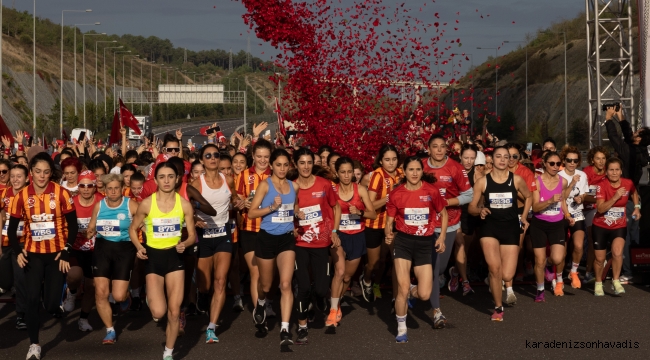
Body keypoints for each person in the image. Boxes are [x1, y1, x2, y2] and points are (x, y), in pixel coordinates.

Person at [7, 153, 78, 360]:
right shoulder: (20, 196)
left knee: (50, 305)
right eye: (37, 171)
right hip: (33, 255)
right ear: (31, 172)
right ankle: (34, 344)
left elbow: (73, 226)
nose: (42, 176)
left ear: (51, 173)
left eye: (46, 172)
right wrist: (18, 250)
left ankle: (58, 298)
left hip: (56, 255)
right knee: (31, 300)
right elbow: (12, 230)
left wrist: (66, 250)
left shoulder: (61, 193)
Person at [129, 162, 197, 360]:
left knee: (174, 312)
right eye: (162, 177)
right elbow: (133, 229)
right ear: (155, 180)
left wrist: (185, 243)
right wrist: (139, 248)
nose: (166, 181)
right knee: (159, 311)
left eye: (170, 176)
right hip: (153, 259)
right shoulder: (147, 203)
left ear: (177, 179)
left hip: (175, 258)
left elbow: (192, 235)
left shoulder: (184, 204)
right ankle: (155, 305)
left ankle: (168, 353)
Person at [385, 156, 448, 343]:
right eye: (410, 170)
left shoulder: (432, 191)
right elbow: (389, 221)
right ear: (404, 171)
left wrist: (442, 237)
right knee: (402, 290)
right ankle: (402, 328)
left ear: (422, 171)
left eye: (417, 170)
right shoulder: (396, 193)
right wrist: (388, 234)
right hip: (403, 242)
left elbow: (443, 214)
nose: (414, 173)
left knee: (424, 294)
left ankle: (413, 288)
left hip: (424, 244)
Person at [469, 147, 532, 321]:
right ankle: (498, 307)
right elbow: (472, 206)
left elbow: (529, 196)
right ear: (492, 159)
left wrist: (524, 217)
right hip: (489, 228)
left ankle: (496, 281)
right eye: (499, 156)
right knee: (495, 268)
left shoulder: (516, 180)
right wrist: (479, 211)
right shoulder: (483, 182)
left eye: (507, 157)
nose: (503, 160)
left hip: (511, 227)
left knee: (507, 275)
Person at [247, 148, 299, 346]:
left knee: (285, 284)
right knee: (266, 286)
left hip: (286, 239)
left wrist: (297, 213)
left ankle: (285, 330)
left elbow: (294, 208)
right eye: (278, 164)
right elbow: (251, 213)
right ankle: (261, 303)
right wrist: (271, 208)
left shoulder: (294, 187)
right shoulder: (265, 185)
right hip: (267, 238)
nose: (282, 168)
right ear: (272, 166)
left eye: (286, 165)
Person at [423, 134, 473, 328]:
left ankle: (430, 282)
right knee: (432, 269)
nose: (438, 150)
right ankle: (437, 312)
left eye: (442, 146)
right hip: (423, 224)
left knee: (439, 268)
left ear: (447, 149)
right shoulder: (421, 166)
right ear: (429, 149)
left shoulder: (455, 168)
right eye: (434, 147)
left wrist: (446, 202)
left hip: (449, 223)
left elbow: (469, 195)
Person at [292, 147, 342, 340]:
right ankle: (302, 325)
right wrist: (292, 226)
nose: (306, 167)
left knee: (321, 289)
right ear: (296, 164)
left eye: (309, 163)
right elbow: (285, 213)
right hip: (299, 243)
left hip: (321, 242)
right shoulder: (291, 186)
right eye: (302, 163)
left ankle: (315, 298)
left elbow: (335, 207)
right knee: (303, 286)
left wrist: (335, 231)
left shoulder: (324, 184)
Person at [191, 144, 238, 344]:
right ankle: (201, 294)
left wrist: (238, 203)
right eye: (208, 155)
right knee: (206, 285)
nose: (212, 158)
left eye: (216, 155)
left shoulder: (228, 180)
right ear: (202, 159)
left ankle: (212, 327)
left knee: (220, 281)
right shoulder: (196, 183)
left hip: (223, 234)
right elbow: (187, 207)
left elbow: (233, 200)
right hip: (203, 236)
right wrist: (193, 218)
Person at [86, 173, 138, 344]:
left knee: (118, 295)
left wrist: (142, 245)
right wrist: (90, 231)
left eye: (117, 188)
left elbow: (144, 226)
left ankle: (126, 296)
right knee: (101, 292)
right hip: (102, 249)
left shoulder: (130, 205)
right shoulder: (99, 205)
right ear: (105, 190)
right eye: (110, 188)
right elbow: (91, 226)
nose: (113, 191)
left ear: (122, 188)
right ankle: (110, 330)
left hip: (124, 250)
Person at [604, 105, 650, 282]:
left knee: (623, 235)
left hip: (624, 198)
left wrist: (608, 119)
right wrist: (621, 116)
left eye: (637, 133)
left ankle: (627, 272)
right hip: (632, 196)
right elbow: (627, 134)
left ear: (639, 139)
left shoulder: (630, 152)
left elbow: (615, 139)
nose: (633, 133)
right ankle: (628, 269)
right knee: (630, 234)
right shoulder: (639, 149)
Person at [331, 156, 377, 329]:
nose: (346, 175)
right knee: (340, 272)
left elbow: (372, 214)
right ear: (337, 173)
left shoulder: (361, 190)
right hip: (339, 235)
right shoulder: (333, 190)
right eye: (342, 172)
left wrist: (360, 212)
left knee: (348, 276)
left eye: (349, 172)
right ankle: (333, 308)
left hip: (357, 236)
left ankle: (339, 298)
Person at [360, 144, 403, 303]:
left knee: (392, 260)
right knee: (374, 263)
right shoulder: (377, 176)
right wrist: (389, 199)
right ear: (381, 161)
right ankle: (366, 279)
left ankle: (392, 295)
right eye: (387, 160)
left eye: (394, 159)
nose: (391, 163)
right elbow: (370, 204)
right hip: (374, 224)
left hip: (393, 224)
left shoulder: (401, 174)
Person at [592, 158, 640, 296]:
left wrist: (637, 207)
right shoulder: (601, 185)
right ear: (606, 172)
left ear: (621, 171)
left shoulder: (627, 183)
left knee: (618, 253)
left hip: (619, 225)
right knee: (600, 259)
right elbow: (600, 209)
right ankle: (598, 283)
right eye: (611, 170)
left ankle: (616, 280)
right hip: (601, 225)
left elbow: (634, 192)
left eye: (617, 170)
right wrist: (615, 197)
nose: (614, 173)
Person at [236, 139, 273, 316]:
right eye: (259, 156)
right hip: (249, 228)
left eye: (266, 157)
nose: (263, 160)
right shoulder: (243, 175)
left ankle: (265, 301)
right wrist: (242, 202)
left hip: (271, 229)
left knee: (269, 273)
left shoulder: (275, 175)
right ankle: (260, 309)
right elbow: (235, 200)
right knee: (256, 271)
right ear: (253, 156)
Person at [64, 171, 104, 333]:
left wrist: (95, 231)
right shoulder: (71, 203)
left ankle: (83, 319)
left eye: (90, 185)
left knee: (91, 286)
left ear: (95, 187)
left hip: (96, 250)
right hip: (75, 248)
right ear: (78, 187)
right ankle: (72, 292)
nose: (86, 189)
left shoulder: (102, 202)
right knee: (74, 276)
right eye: (82, 185)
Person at [530, 152, 573, 302]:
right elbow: (535, 207)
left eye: (558, 164)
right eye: (552, 164)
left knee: (557, 258)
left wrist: (567, 215)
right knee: (539, 260)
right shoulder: (537, 181)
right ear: (545, 164)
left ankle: (550, 265)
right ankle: (540, 289)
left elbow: (562, 201)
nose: (555, 167)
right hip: (539, 224)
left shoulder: (563, 182)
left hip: (557, 223)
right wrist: (549, 201)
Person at [504, 143, 537, 304]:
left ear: (519, 158)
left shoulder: (525, 173)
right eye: (507, 156)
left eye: (514, 156)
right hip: (500, 214)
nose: (510, 159)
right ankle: (501, 278)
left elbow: (530, 199)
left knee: (516, 247)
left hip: (519, 213)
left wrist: (515, 191)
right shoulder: (498, 170)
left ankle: (512, 282)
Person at [0, 164, 29, 331]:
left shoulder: (31, 196)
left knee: (20, 280)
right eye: (13, 176)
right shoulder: (3, 194)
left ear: (26, 179)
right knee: (5, 282)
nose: (15, 179)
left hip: (23, 243)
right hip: (5, 243)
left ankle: (21, 315)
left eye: (19, 176)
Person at [558, 147, 589, 289]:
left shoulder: (582, 175)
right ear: (564, 160)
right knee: (561, 252)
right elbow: (562, 197)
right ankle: (558, 279)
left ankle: (574, 271)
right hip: (561, 214)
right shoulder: (558, 175)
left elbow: (584, 194)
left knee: (578, 245)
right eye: (569, 160)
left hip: (577, 214)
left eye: (575, 160)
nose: (572, 163)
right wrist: (571, 184)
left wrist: (580, 198)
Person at [454, 144, 482, 296]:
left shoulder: (478, 174)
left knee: (467, 246)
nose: (469, 161)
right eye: (466, 157)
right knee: (460, 244)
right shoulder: (454, 171)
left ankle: (455, 272)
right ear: (460, 156)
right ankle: (464, 281)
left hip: (470, 212)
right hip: (454, 211)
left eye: (472, 158)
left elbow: (481, 197)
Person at [582, 146, 608, 283]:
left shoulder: (608, 172)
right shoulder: (586, 173)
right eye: (598, 158)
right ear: (592, 160)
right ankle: (588, 272)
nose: (601, 161)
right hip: (587, 209)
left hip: (603, 209)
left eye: (603, 158)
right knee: (593, 238)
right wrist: (599, 201)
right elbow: (582, 196)